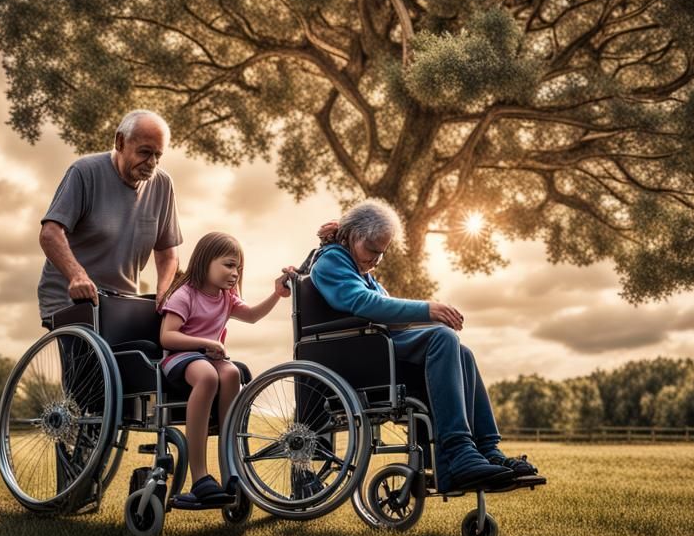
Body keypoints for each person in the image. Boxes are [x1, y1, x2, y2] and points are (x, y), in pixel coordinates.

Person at [310, 199, 540, 493]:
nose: (376, 260)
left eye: (382, 253)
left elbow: (385, 314)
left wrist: (425, 318)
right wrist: (427, 310)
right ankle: (459, 453)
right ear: (352, 235)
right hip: (360, 358)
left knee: (461, 351)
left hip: (379, 349)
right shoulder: (331, 262)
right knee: (443, 337)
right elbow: (363, 303)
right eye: (372, 250)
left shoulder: (362, 271)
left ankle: (486, 449)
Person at [160, 232, 294, 504]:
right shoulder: (185, 294)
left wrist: (277, 294)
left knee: (232, 373)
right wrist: (205, 342)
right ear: (206, 260)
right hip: (179, 358)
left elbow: (253, 316)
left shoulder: (226, 297)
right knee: (208, 376)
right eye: (229, 265)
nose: (235, 273)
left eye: (238, 268)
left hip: (210, 358)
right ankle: (200, 476)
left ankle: (230, 469)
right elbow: (167, 336)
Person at [37, 109, 181, 320]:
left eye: (158, 155)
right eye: (144, 152)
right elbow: (50, 234)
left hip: (121, 302)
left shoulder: (163, 185)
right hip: (71, 300)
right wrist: (77, 276)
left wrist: (164, 291)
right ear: (120, 142)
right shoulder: (84, 172)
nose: (152, 163)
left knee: (146, 350)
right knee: (87, 352)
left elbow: (168, 253)